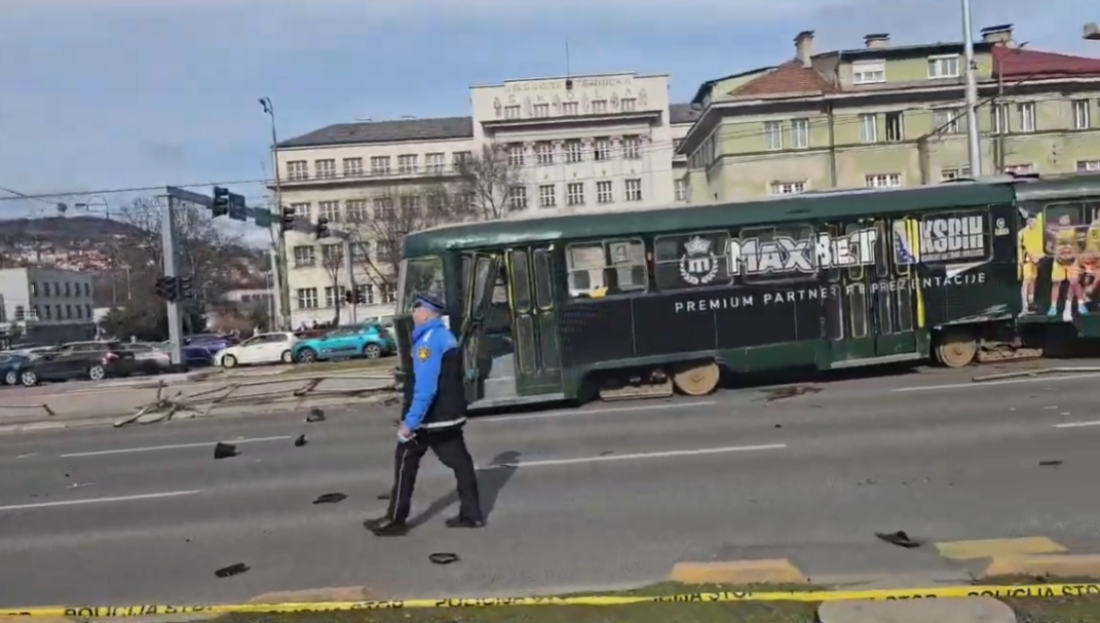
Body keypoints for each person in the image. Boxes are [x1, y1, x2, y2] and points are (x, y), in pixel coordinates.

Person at [365, 293, 485, 537]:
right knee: (460, 462)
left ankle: (395, 520)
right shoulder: (445, 335)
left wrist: (410, 423)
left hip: (431, 418)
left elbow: (426, 388)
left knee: (405, 460)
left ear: (427, 313)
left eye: (416, 309)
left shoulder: (427, 343)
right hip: (450, 413)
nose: (413, 313)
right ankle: (472, 515)